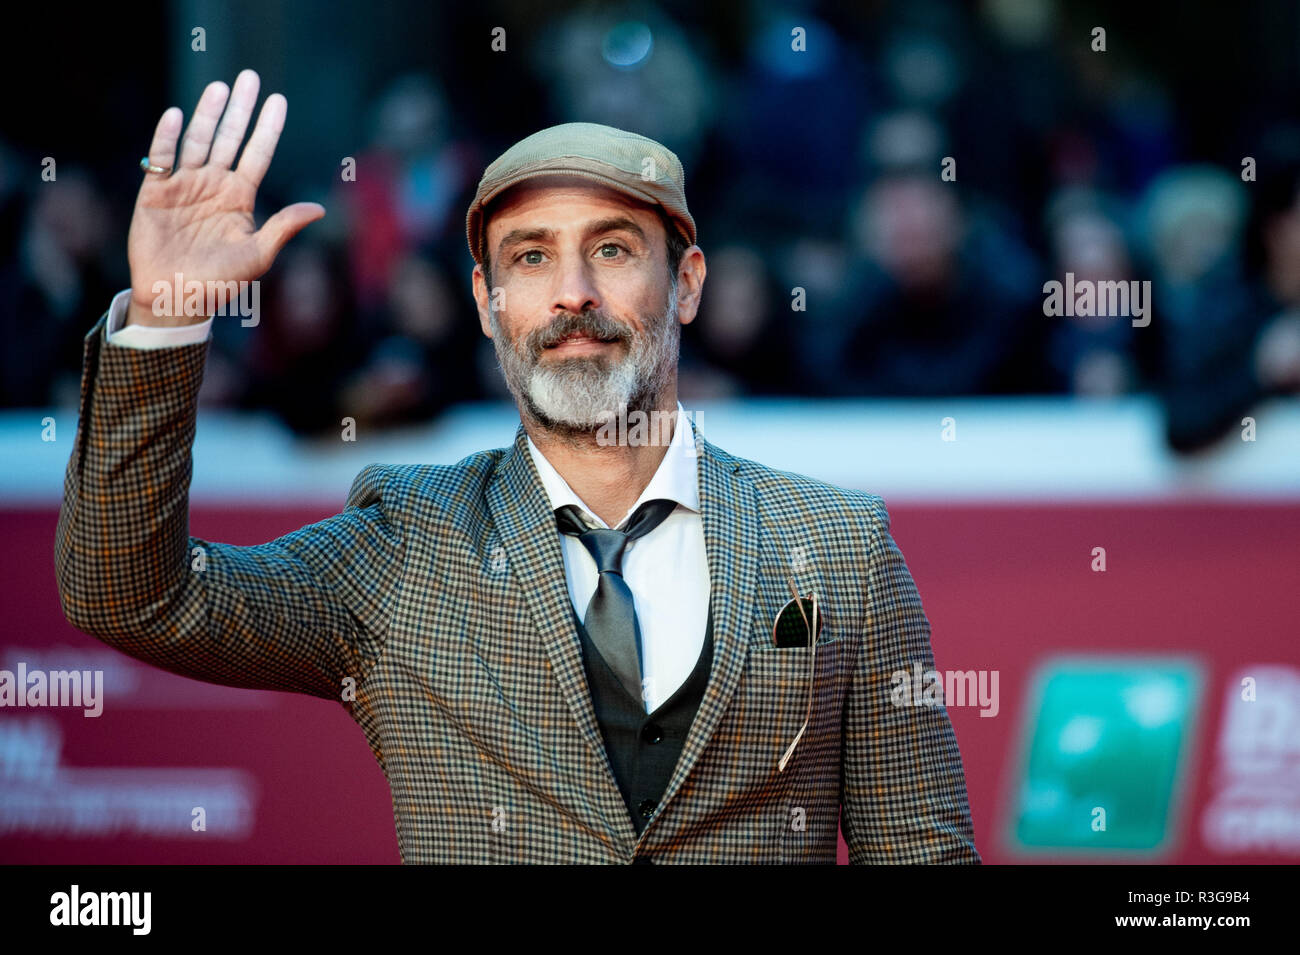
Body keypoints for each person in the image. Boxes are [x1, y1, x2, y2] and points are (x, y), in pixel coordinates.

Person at [54, 69, 980, 864]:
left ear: (689, 282)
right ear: (489, 304)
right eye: (530, 258)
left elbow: (925, 853)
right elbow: (130, 594)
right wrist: (167, 320)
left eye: (612, 249)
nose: (572, 292)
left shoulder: (839, 547)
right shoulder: (404, 546)